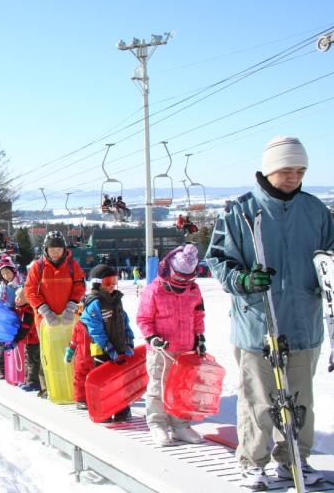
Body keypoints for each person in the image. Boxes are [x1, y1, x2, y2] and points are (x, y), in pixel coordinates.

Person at [206, 136, 334, 490]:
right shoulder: (240, 211)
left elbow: (331, 255)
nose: (294, 176)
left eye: (300, 170)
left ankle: (295, 459)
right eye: (286, 170)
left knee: (301, 398)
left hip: (304, 321)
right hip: (258, 322)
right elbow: (216, 259)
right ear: (269, 169)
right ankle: (253, 462)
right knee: (259, 399)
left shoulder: (315, 211)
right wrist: (242, 279)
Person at [137, 244, 206, 446]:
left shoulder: (194, 290)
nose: (182, 283)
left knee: (183, 388)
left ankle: (180, 424)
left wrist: (199, 338)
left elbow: (198, 315)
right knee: (158, 386)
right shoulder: (154, 290)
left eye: (186, 279)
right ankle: (157, 423)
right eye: (178, 278)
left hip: (186, 349)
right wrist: (152, 337)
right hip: (162, 350)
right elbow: (143, 318)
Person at [80, 264, 135, 422]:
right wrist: (108, 348)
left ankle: (122, 410)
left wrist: (129, 339)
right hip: (102, 351)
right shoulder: (94, 303)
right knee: (104, 382)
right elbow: (95, 329)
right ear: (97, 283)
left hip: (119, 347)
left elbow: (124, 321)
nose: (111, 286)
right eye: (107, 282)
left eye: (114, 281)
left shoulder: (116, 300)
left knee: (121, 380)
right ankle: (104, 410)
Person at [0, 255, 24, 379]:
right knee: (1, 344)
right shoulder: (2, 286)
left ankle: (16, 367)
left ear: (13, 271)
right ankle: (1, 369)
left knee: (16, 342)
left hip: (17, 317)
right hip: (4, 318)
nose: (6, 276)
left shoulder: (20, 283)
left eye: (8, 272)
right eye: (3, 274)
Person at [63, 298, 92, 409]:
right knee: (80, 379)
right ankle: (80, 400)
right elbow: (73, 341)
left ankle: (92, 397)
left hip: (94, 357)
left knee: (93, 379)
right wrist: (69, 353)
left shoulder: (96, 325)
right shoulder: (78, 325)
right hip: (81, 358)